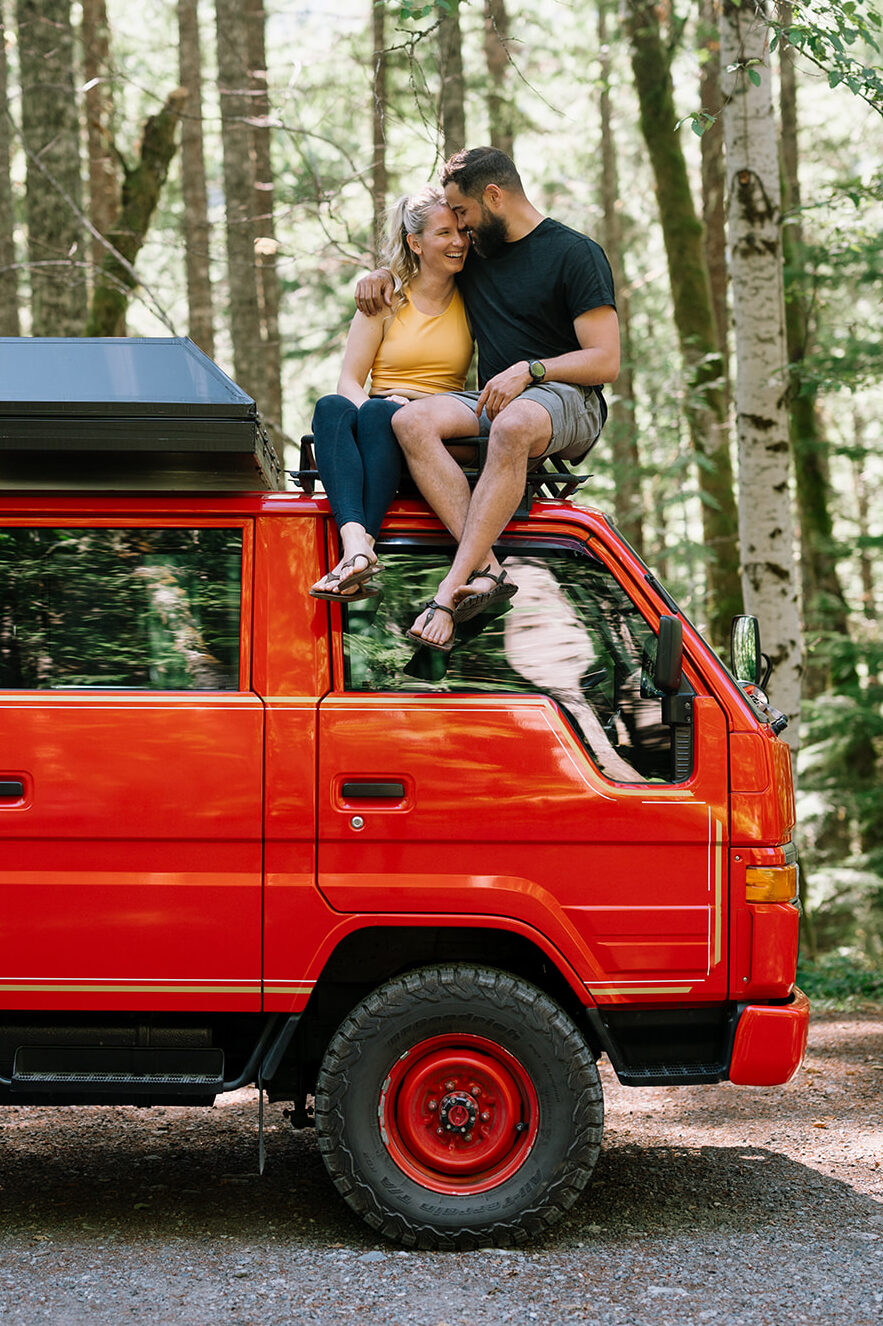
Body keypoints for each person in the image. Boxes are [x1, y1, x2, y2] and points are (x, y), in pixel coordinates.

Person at [355, 146, 619, 650]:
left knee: (514, 423)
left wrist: (531, 369)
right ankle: (490, 572)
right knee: (408, 423)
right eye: (452, 219)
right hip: (496, 399)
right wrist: (379, 276)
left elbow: (605, 360)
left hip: (569, 398)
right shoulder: (476, 254)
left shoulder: (575, 253)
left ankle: (450, 590)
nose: (459, 228)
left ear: (493, 197)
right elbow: (424, 264)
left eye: (464, 213)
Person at [309, 185, 473, 602]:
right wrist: (373, 409)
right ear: (415, 243)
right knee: (331, 406)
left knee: (388, 415)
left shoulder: (474, 297)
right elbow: (349, 381)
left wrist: (403, 412)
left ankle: (360, 551)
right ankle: (358, 546)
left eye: (461, 232)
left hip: (436, 424)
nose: (457, 242)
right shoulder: (386, 299)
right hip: (377, 417)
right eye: (443, 234)